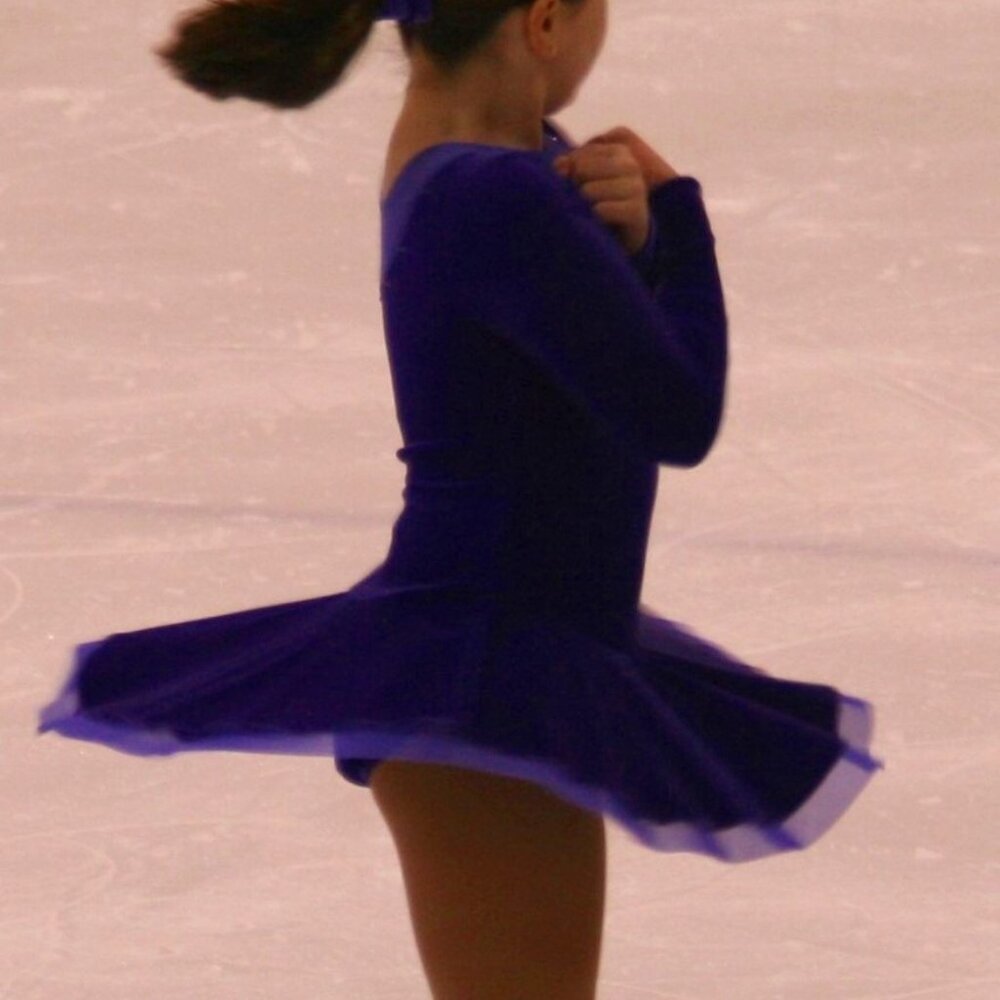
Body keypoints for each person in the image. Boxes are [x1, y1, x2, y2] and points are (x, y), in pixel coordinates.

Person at [36, 1, 883, 997]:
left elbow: (590, 362)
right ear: (541, 22)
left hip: (516, 649)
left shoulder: (492, 167)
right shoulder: (496, 194)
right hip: (485, 672)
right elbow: (675, 414)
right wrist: (682, 226)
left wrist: (636, 244)